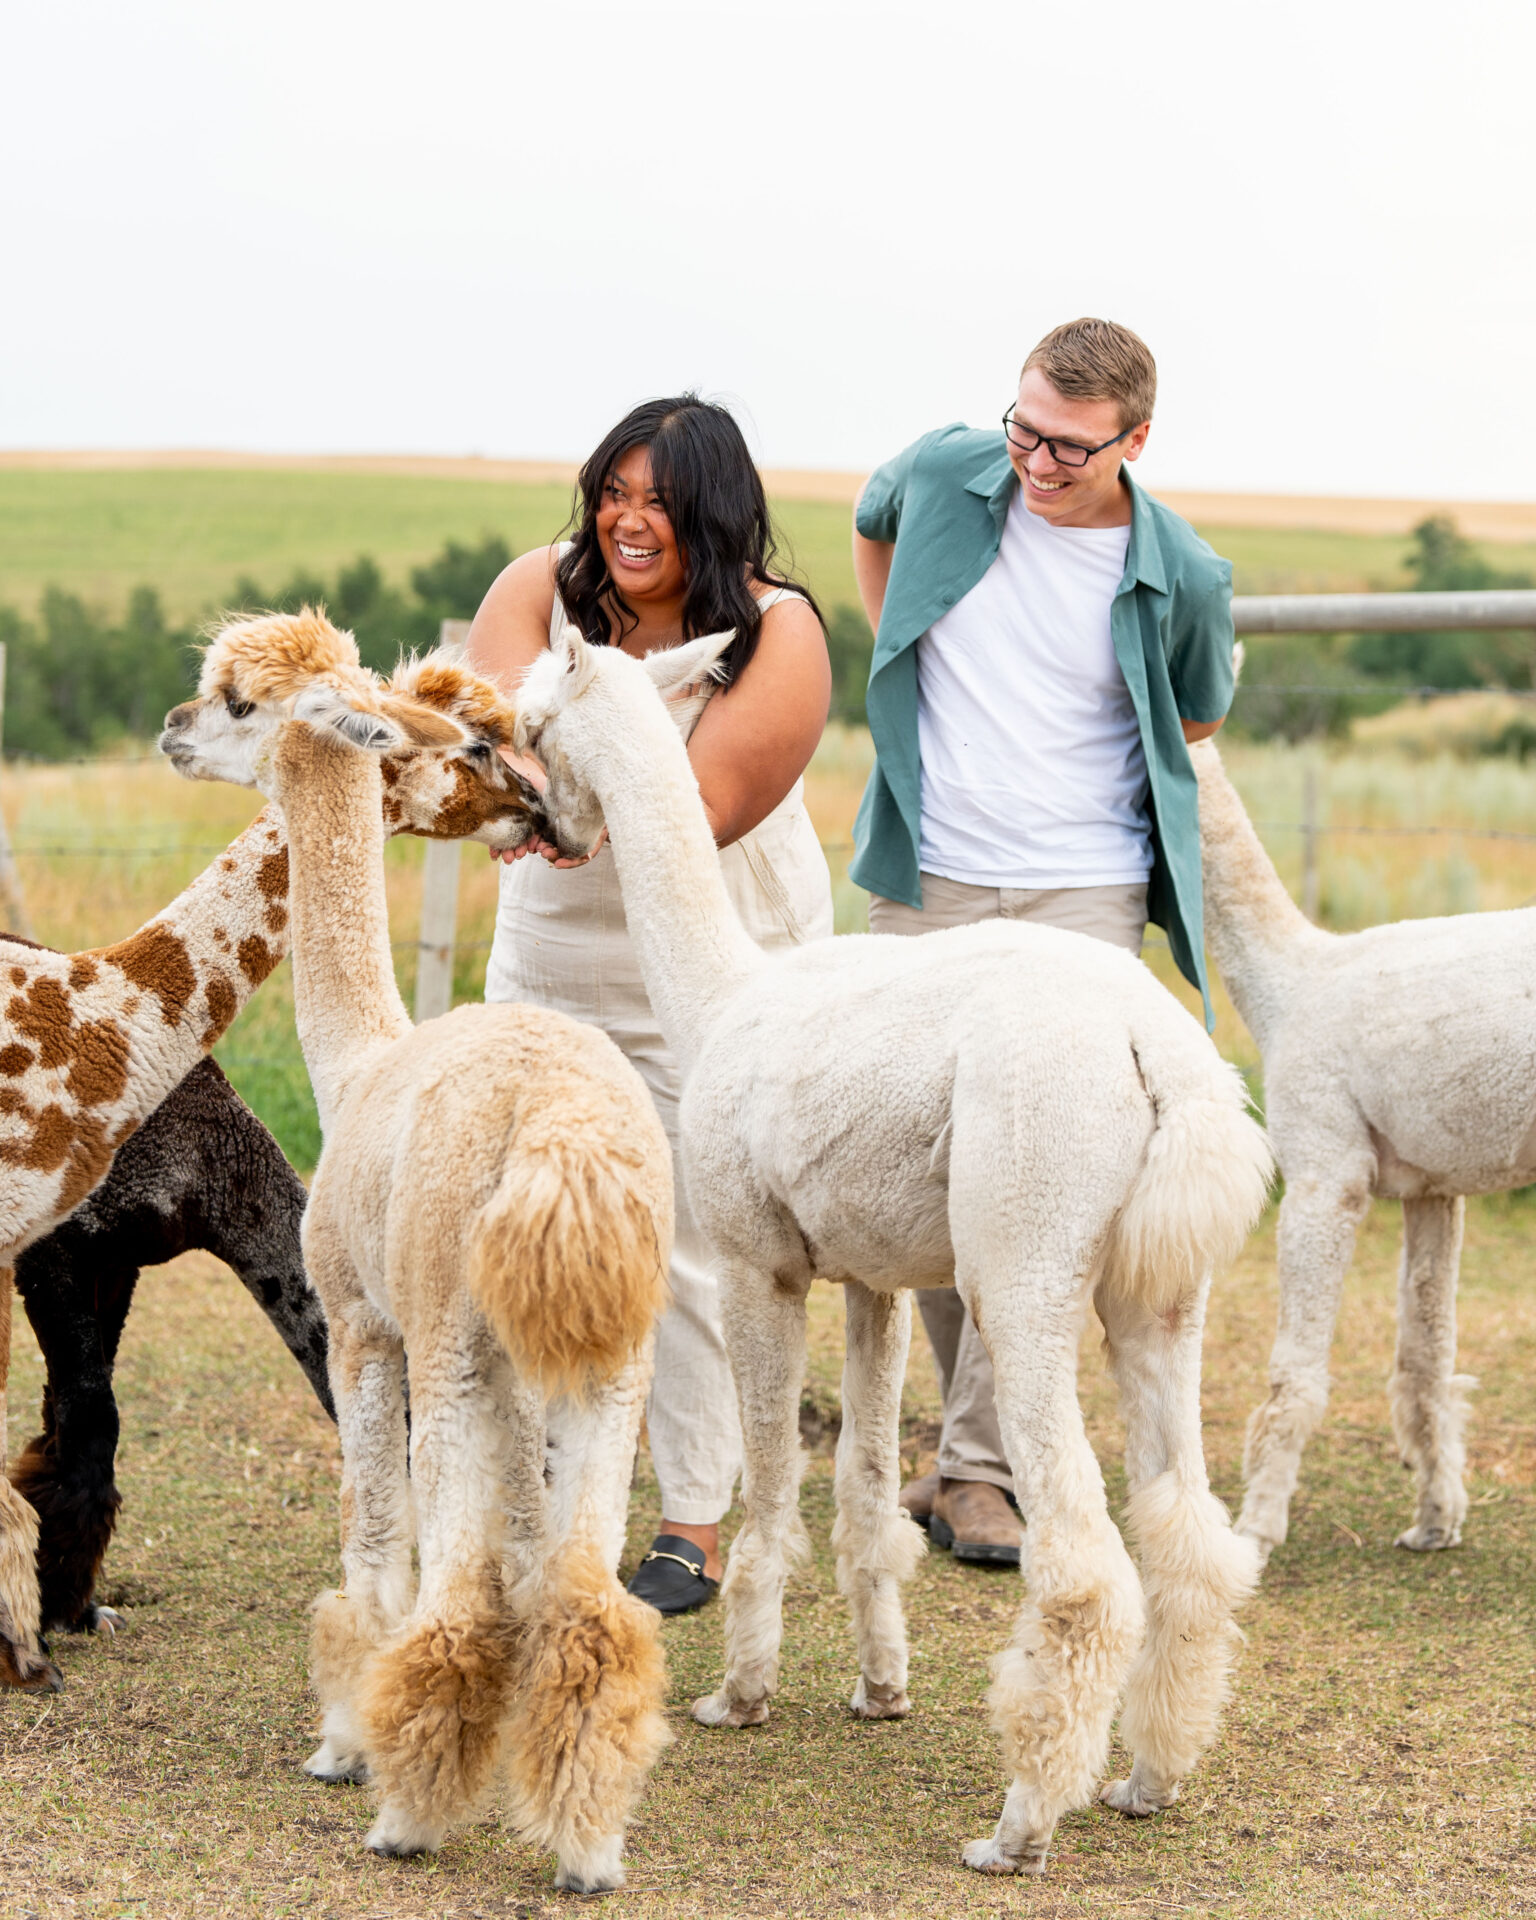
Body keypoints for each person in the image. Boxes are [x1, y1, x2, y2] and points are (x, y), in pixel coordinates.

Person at [849, 317, 1235, 1566]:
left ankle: (977, 1469)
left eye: (1072, 445)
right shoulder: (944, 469)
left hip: (1085, 891)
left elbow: (1194, 712)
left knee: (1045, 1183)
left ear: (1136, 441)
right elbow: (871, 523)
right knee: (925, 1166)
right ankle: (981, 1454)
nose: (1039, 461)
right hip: (931, 874)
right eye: (1026, 430)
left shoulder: (1184, 572)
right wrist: (898, 648)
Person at [467, 395, 834, 1613]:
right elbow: (490, 730)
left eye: (659, 502)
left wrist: (561, 796)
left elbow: (701, 808)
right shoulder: (541, 587)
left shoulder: (777, 632)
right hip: (551, 960)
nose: (628, 521)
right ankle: (543, 1496)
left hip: (708, 966)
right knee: (530, 1214)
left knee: (692, 1241)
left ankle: (693, 1520)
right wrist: (519, 779)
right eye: (613, 494)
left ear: (713, 513)